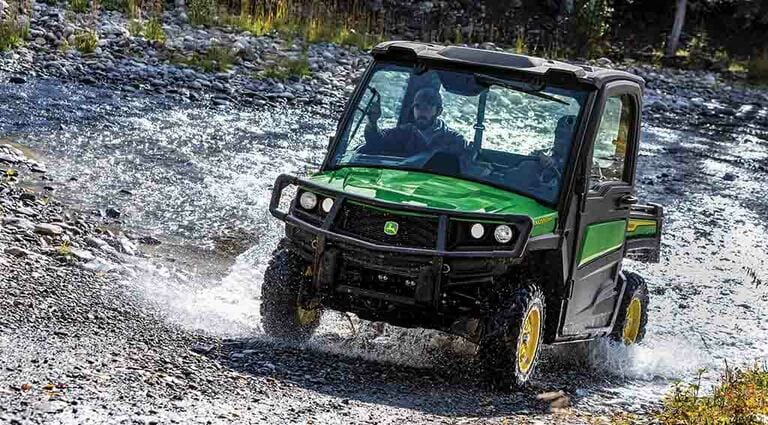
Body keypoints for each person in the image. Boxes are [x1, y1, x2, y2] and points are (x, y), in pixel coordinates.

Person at [360, 88, 467, 158]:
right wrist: (372, 122)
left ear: (439, 111)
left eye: (427, 107)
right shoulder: (404, 132)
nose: (421, 112)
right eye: (417, 107)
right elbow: (376, 142)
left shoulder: (454, 140)